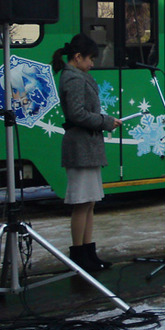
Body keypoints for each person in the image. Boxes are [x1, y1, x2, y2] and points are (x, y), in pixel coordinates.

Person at [51, 33, 121, 273]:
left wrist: (104, 121)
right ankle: (79, 256)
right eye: (90, 58)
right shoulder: (72, 78)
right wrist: (105, 121)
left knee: (89, 202)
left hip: (87, 146)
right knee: (82, 203)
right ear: (77, 57)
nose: (93, 63)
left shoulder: (78, 76)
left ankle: (88, 253)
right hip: (80, 146)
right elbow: (77, 114)